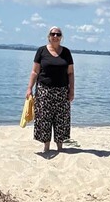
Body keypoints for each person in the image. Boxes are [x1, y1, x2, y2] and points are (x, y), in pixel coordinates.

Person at [26, 26, 75, 155]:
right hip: (44, 90)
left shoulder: (66, 52)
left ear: (61, 37)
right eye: (53, 34)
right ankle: (46, 147)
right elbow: (34, 71)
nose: (55, 36)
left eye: (58, 34)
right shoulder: (41, 51)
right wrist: (29, 88)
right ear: (49, 36)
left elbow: (70, 73)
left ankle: (60, 147)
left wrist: (72, 90)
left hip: (62, 91)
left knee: (61, 119)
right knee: (44, 118)